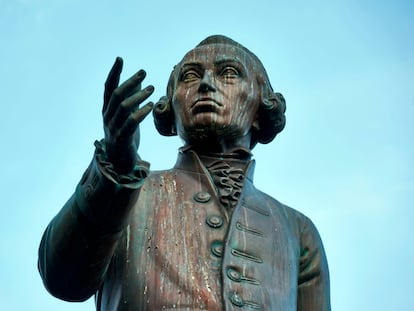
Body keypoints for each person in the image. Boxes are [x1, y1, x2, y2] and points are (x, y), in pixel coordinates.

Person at [38, 35, 330, 310]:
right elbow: (64, 280)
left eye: (228, 72)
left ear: (261, 106)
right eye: (190, 76)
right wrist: (114, 169)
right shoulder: (128, 197)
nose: (205, 84)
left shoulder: (297, 231)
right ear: (171, 110)